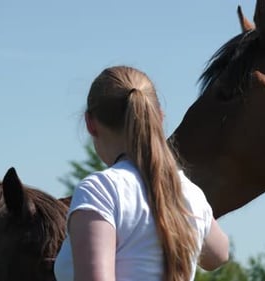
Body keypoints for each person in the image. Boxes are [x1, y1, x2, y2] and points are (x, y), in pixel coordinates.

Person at [54, 65, 229, 281]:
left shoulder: (100, 190)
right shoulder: (189, 193)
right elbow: (219, 254)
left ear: (91, 123)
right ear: (159, 118)